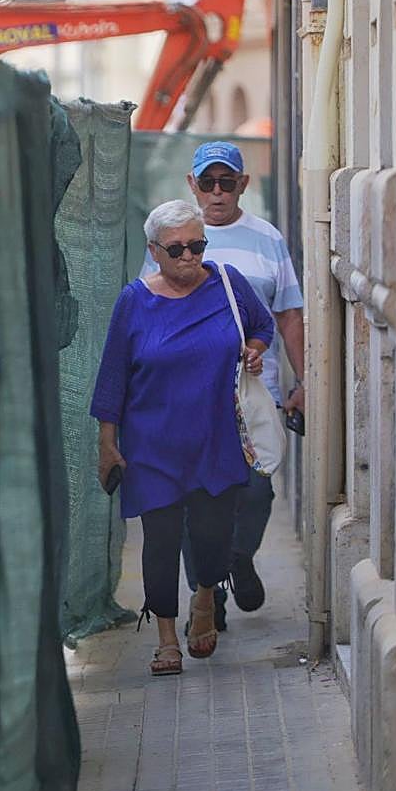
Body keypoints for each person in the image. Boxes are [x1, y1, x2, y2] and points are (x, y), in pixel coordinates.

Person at [93, 200, 274, 675]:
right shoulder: (134, 301)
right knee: (160, 539)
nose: (190, 257)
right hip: (152, 443)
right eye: (178, 249)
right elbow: (113, 376)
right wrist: (107, 441)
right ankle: (166, 639)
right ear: (155, 251)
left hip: (216, 438)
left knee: (213, 535)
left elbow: (261, 326)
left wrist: (254, 352)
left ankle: (206, 596)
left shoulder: (228, 283)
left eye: (197, 246)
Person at [140, 141, 304, 628]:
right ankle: (205, 601)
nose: (216, 192)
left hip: (255, 396)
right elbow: (148, 313)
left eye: (226, 182)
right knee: (195, 502)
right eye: (206, 182)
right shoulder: (168, 238)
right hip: (188, 400)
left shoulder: (268, 239)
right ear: (191, 185)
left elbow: (289, 315)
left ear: (242, 186)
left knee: (255, 492)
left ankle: (237, 556)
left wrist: (307, 382)